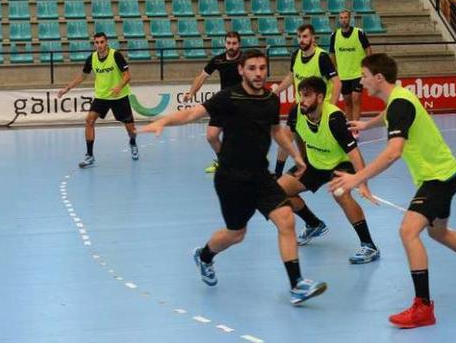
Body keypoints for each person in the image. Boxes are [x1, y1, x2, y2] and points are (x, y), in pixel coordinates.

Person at [329, 53, 456, 328]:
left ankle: (423, 307)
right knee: (438, 232)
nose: (361, 81)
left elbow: (393, 152)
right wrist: (367, 124)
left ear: (378, 78)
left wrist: (357, 179)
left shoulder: (399, 104)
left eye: (364, 76)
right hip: (447, 172)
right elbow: (389, 114)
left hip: (437, 179)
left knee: (408, 231)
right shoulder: (398, 98)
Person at [139, 50, 328, 305]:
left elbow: (276, 131)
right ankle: (205, 256)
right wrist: (164, 121)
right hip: (231, 179)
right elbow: (193, 113)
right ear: (241, 70)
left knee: (285, 220)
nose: (258, 73)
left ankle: (297, 285)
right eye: (252, 68)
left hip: (260, 175)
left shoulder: (271, 100)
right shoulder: (228, 97)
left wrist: (296, 156)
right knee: (236, 234)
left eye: (262, 67)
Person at [278, 76, 380, 263]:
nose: (302, 100)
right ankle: (314, 224)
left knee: (340, 193)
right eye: (300, 95)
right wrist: (302, 161)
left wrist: (363, 184)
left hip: (340, 163)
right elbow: (293, 137)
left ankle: (369, 246)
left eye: (307, 95)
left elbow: (354, 153)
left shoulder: (334, 118)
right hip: (315, 163)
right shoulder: (298, 112)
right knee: (278, 191)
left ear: (320, 97)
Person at [57, 32, 138, 168]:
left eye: (102, 42)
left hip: (119, 96)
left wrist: (119, 86)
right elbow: (82, 76)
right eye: (97, 42)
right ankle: (89, 155)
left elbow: (127, 76)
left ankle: (133, 142)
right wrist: (67, 88)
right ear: (94, 44)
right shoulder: (92, 58)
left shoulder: (115, 55)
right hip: (101, 97)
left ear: (106, 42)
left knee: (130, 128)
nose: (99, 45)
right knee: (89, 120)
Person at [272, 24, 341, 178]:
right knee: (286, 137)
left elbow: (337, 83)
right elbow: (291, 76)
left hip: (319, 110)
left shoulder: (322, 57)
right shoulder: (296, 54)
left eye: (305, 36)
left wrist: (331, 108)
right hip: (300, 108)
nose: (301, 40)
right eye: (299, 37)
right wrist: (278, 90)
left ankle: (337, 169)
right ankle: (277, 174)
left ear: (312, 38)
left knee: (325, 144)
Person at [183, 31, 244, 173]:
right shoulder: (218, 60)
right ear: (225, 43)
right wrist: (192, 92)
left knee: (238, 139)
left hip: (242, 104)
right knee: (211, 136)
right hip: (224, 102)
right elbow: (202, 76)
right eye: (228, 43)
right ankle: (224, 162)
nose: (231, 46)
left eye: (234, 43)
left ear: (239, 44)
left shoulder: (246, 60)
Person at [330, 9, 372, 128]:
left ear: (350, 19)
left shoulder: (359, 33)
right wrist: (334, 72)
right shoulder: (334, 35)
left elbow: (368, 49)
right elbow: (332, 54)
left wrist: (367, 68)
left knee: (356, 98)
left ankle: (356, 128)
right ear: (339, 20)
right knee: (347, 101)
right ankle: (350, 125)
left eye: (346, 17)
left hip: (358, 73)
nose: (344, 20)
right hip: (343, 74)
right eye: (341, 18)